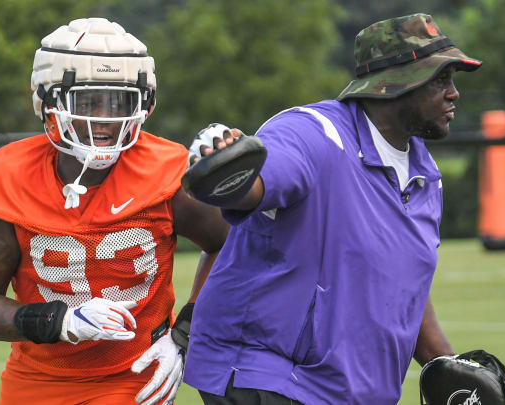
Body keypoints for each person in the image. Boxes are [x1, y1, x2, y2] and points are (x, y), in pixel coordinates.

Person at [183, 13, 482, 404]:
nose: (454, 93)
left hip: (349, 392)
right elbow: (258, 184)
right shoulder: (314, 132)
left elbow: (404, 282)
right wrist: (226, 172)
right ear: (394, 85)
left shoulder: (425, 174)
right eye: (441, 79)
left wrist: (447, 368)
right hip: (269, 377)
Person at [0, 17, 228, 405]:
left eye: (119, 102)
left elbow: (230, 244)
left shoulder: (167, 170)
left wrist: (184, 335)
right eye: (87, 102)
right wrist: (60, 320)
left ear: (144, 104)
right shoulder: (10, 175)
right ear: (47, 101)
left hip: (135, 374)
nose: (103, 119)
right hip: (38, 378)